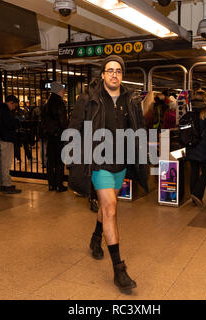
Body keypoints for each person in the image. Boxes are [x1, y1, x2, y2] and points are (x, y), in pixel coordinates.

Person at [67, 55, 149, 293]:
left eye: (118, 71)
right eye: (110, 70)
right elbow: (74, 128)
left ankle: (95, 238)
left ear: (122, 75)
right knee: (111, 207)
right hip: (98, 161)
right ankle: (119, 269)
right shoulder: (88, 98)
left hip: (121, 163)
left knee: (106, 207)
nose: (114, 74)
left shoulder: (131, 99)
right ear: (102, 74)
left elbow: (138, 127)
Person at [42, 81, 68, 192]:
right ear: (58, 91)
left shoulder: (47, 104)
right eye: (63, 90)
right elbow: (63, 121)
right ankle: (59, 185)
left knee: (50, 161)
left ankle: (51, 184)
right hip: (59, 135)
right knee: (59, 161)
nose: (64, 92)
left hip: (49, 135)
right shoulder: (59, 103)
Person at [0, 95, 22, 194]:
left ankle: (3, 184)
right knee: (6, 164)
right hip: (6, 139)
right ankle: (7, 185)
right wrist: (17, 122)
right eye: (14, 105)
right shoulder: (4, 111)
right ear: (11, 103)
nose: (14, 108)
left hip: (1, 139)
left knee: (2, 163)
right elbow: (10, 124)